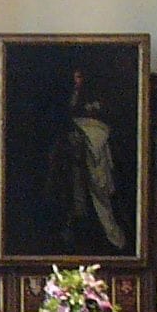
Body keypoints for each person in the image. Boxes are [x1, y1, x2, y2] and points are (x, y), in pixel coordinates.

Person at [52, 69, 126, 251]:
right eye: (74, 77)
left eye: (79, 76)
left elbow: (100, 130)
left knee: (99, 197)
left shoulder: (95, 104)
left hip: (93, 156)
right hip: (74, 166)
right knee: (75, 203)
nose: (76, 80)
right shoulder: (68, 103)